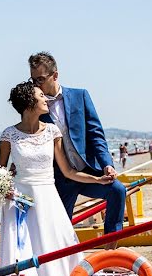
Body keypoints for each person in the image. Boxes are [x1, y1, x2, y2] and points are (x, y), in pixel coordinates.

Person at [0, 81, 115, 276]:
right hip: (20, 203)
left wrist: (97, 181)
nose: (46, 101)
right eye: (41, 97)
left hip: (48, 200)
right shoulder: (8, 135)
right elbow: (2, 172)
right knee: (23, 256)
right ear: (29, 103)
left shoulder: (52, 131)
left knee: (57, 251)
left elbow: (68, 171)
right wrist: (0, 189)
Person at [28, 52, 126, 231]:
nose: (36, 85)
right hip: (59, 179)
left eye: (40, 79)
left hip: (89, 171)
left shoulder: (80, 95)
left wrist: (107, 164)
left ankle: (111, 246)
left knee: (117, 191)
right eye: (33, 80)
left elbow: (96, 134)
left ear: (55, 75)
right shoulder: (35, 105)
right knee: (59, 230)